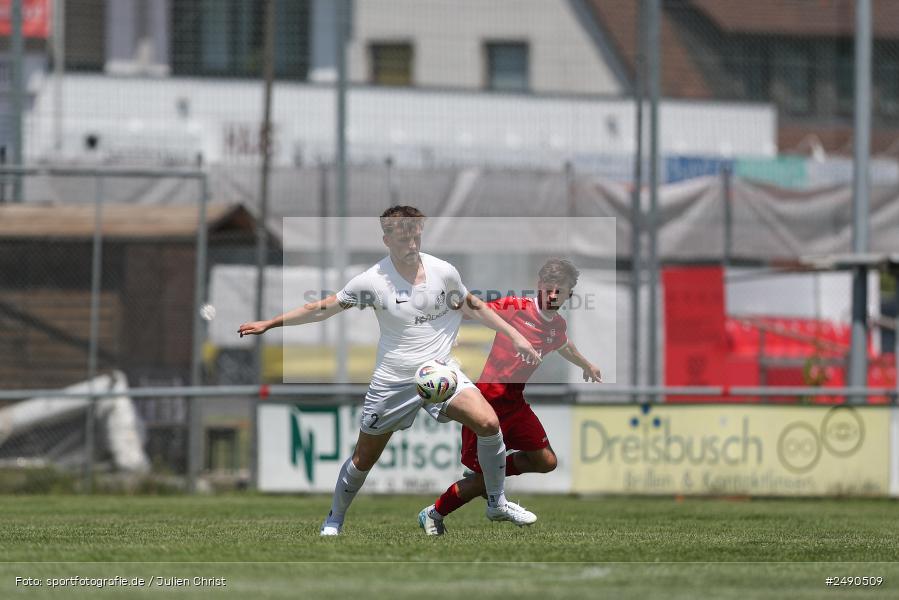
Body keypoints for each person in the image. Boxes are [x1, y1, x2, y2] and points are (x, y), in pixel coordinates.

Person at [238, 206, 542, 536]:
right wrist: (270, 323)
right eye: (403, 237)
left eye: (415, 234)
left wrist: (515, 336)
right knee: (363, 459)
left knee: (488, 422)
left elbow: (475, 307)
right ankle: (334, 519)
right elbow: (320, 308)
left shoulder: (444, 272)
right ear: (387, 239)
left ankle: (496, 503)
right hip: (393, 381)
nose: (411, 242)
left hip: (440, 374)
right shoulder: (371, 280)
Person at [418, 258, 602, 535]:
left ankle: (493, 476)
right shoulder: (515, 307)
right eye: (549, 289)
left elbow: (565, 346)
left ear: (568, 294)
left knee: (546, 461)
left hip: (515, 404)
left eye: (559, 291)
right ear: (539, 286)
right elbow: (473, 310)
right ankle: (433, 514)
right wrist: (441, 318)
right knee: (480, 481)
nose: (553, 295)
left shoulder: (557, 326)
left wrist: (587, 364)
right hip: (486, 404)